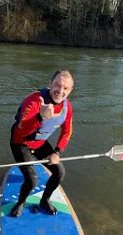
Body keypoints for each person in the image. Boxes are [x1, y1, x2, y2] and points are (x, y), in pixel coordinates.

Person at [9, 69, 74, 217]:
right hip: (21, 143)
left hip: (40, 143)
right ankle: (21, 202)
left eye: (65, 88)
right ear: (50, 83)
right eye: (57, 85)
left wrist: (57, 152)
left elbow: (67, 132)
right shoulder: (33, 100)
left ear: (70, 90)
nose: (60, 91)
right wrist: (40, 116)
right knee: (32, 180)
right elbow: (20, 131)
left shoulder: (67, 107)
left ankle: (44, 200)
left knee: (59, 173)